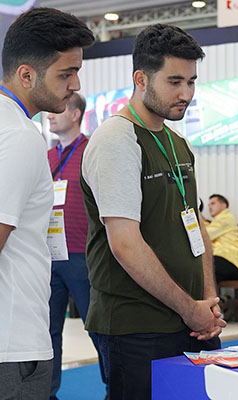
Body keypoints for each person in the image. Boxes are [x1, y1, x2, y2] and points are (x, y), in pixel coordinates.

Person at [80, 24, 225, 399]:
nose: (186, 94)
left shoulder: (177, 142)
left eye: (191, 82)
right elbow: (125, 245)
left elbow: (196, 225)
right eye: (174, 81)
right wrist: (190, 309)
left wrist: (207, 302)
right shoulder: (116, 140)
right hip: (136, 326)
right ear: (141, 79)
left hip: (189, 321)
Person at [0, 7, 94, 399]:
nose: (75, 84)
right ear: (26, 75)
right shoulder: (19, 136)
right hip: (14, 345)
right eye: (66, 73)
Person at [46, 93, 105, 399]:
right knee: (48, 330)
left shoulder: (91, 151)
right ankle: (47, 391)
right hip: (48, 255)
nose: (49, 115)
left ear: (75, 114)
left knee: (97, 327)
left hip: (83, 254)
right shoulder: (47, 156)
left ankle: (114, 386)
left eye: (57, 110)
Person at [206, 194, 238, 283]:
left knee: (204, 269)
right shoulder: (217, 222)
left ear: (224, 205)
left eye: (213, 203)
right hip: (225, 260)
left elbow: (206, 235)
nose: (209, 207)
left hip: (232, 261)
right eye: (208, 205)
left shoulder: (226, 218)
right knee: (204, 272)